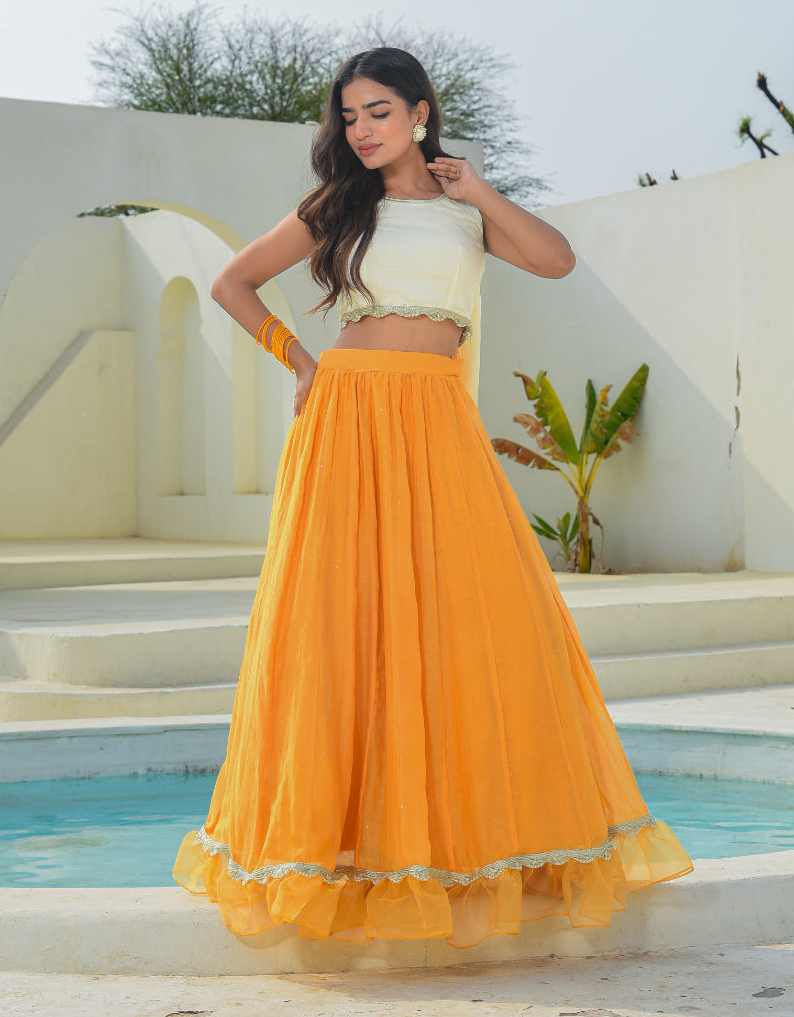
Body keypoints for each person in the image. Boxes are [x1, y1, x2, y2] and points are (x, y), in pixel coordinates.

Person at [173, 47, 693, 948]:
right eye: (348, 117)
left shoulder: (464, 210)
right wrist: (295, 359)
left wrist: (481, 191)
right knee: (341, 619)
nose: (360, 130)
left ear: (421, 111)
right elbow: (233, 282)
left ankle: (463, 840)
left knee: (473, 615)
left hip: (436, 416)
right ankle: (337, 848)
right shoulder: (338, 207)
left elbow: (556, 260)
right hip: (348, 409)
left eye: (377, 111)